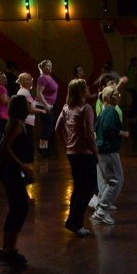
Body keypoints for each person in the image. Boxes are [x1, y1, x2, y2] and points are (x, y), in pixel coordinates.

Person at [55, 78, 98, 237]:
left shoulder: (66, 108)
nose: (88, 88)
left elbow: (58, 128)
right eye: (85, 87)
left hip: (72, 153)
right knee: (88, 188)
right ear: (80, 91)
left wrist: (67, 144)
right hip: (85, 153)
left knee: (79, 188)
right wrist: (95, 151)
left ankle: (72, 221)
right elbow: (89, 133)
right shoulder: (86, 108)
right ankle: (75, 222)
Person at [0, 95, 32, 265]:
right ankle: (9, 249)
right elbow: (5, 147)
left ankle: (7, 248)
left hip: (11, 170)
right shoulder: (16, 124)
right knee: (20, 207)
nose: (30, 106)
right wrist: (23, 167)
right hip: (10, 170)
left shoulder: (16, 123)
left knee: (17, 207)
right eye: (27, 104)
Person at [92, 85, 129, 225]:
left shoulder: (103, 111)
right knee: (116, 180)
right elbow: (108, 128)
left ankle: (102, 203)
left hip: (100, 149)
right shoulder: (111, 111)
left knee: (103, 180)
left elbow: (96, 128)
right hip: (108, 150)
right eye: (116, 94)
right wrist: (121, 133)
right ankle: (102, 209)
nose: (118, 96)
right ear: (108, 97)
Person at [16, 72, 45, 167]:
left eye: (31, 79)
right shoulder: (24, 92)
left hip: (28, 122)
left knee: (28, 145)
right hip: (26, 123)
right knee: (28, 145)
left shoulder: (25, 92)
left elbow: (31, 106)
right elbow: (29, 109)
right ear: (22, 81)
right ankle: (27, 167)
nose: (31, 81)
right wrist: (42, 111)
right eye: (28, 79)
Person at [35, 60, 58, 154]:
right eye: (47, 66)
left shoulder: (49, 77)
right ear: (43, 67)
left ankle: (45, 147)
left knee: (48, 126)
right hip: (44, 105)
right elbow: (39, 93)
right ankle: (42, 148)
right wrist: (45, 105)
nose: (50, 67)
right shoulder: (42, 78)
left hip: (50, 105)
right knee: (47, 126)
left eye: (51, 65)